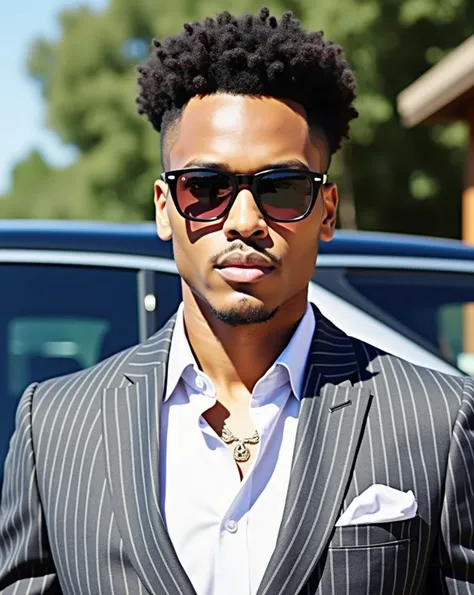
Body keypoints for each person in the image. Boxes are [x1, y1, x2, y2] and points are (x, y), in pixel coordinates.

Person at [1, 7, 473, 595]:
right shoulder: (54, 429)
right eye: (206, 188)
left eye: (281, 188)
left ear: (326, 212)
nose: (245, 220)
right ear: (163, 208)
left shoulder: (438, 421)